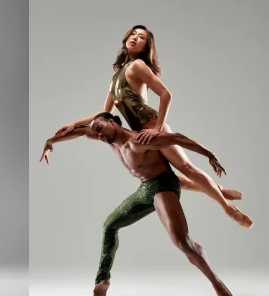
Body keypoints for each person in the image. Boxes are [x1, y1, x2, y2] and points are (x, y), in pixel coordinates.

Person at [41, 112, 250, 296]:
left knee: (181, 241)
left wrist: (209, 154)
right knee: (110, 225)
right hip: (144, 188)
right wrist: (51, 141)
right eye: (96, 132)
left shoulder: (139, 141)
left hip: (163, 185)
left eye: (100, 129)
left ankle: (216, 283)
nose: (98, 135)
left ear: (112, 123)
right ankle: (102, 280)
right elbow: (79, 132)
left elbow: (177, 138)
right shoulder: (108, 139)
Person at [54, 25, 250, 227]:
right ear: (126, 37)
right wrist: (75, 123)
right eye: (133, 34)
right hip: (140, 134)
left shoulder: (138, 65)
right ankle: (216, 188)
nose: (135, 38)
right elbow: (105, 114)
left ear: (145, 47)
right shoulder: (116, 76)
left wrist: (158, 128)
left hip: (152, 127)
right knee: (170, 179)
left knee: (187, 168)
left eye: (141, 38)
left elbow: (166, 94)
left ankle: (226, 206)